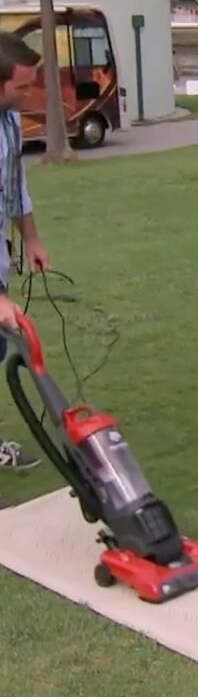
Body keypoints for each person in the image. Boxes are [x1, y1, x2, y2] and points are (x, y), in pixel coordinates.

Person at [0, 31, 50, 469]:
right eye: (21, 86)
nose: (27, 92)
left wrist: (31, 237)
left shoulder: (11, 121)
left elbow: (15, 188)